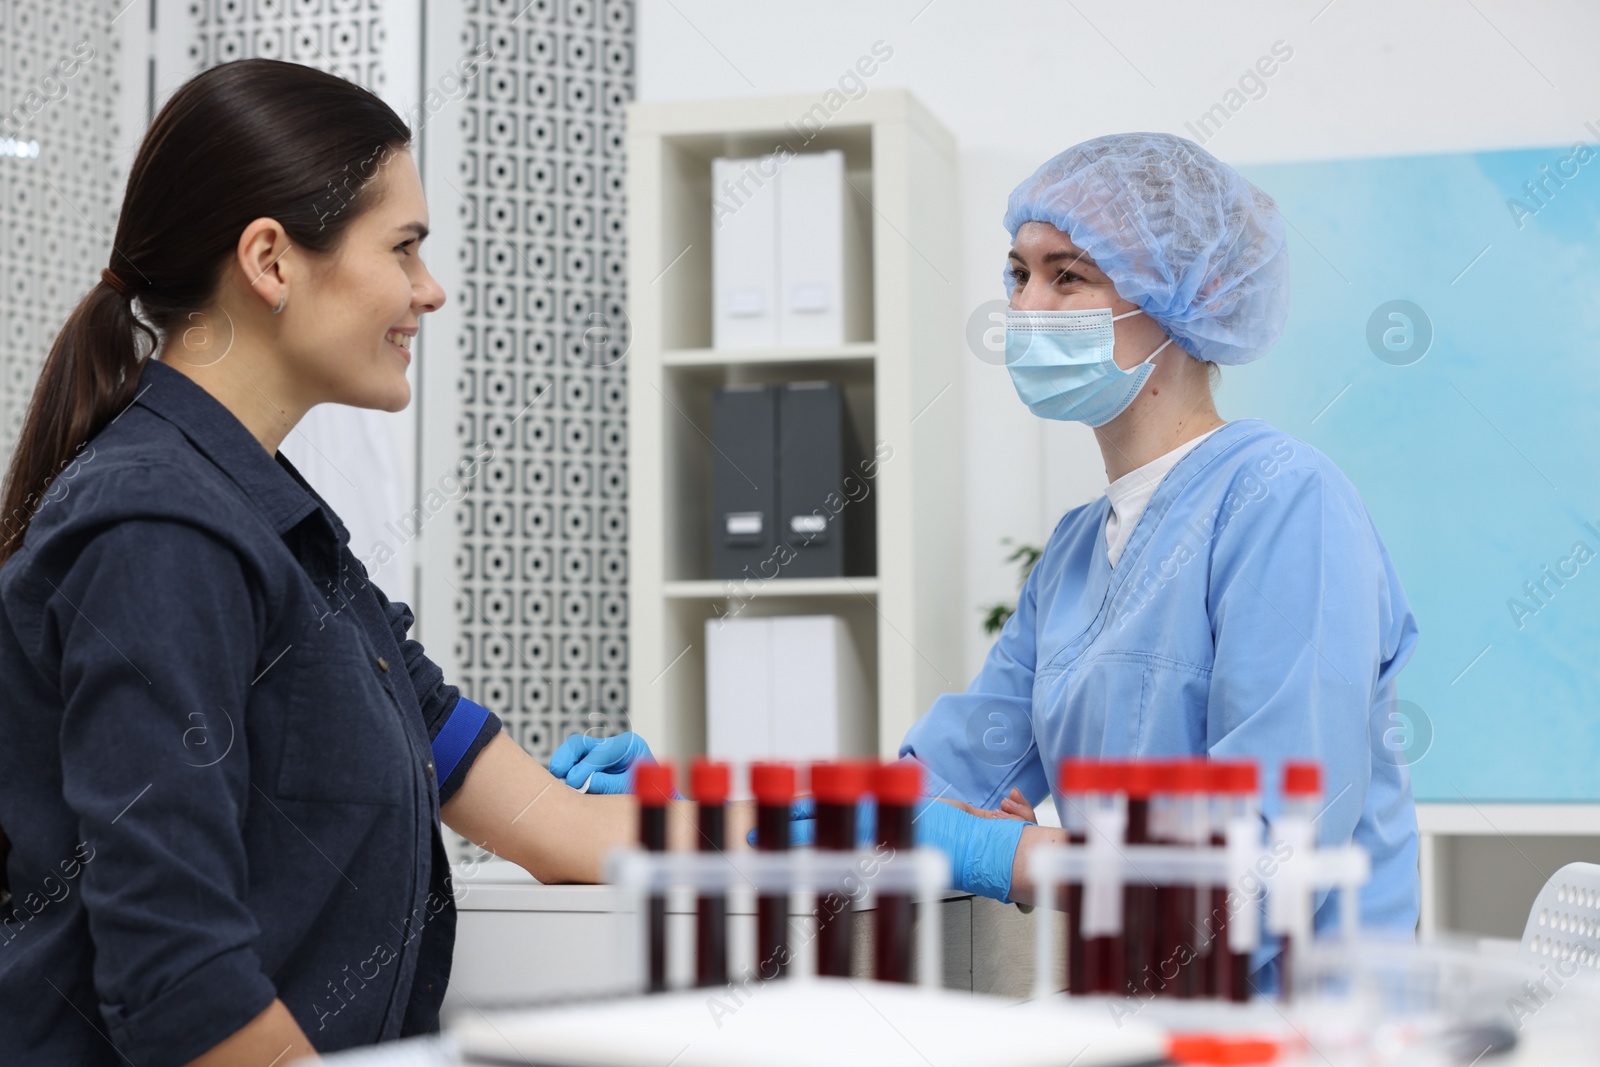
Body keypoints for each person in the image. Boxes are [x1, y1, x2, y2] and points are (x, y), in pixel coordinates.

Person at [554, 133, 1420, 989]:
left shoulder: (1283, 504)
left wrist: (998, 848)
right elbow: (913, 799)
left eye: (1067, 274)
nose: (1026, 306)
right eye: (1017, 272)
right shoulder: (1078, 555)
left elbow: (1267, 870)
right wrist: (688, 807)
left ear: (1183, 297)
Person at [0, 59, 666, 1065]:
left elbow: (555, 825)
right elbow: (184, 985)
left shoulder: (282, 530)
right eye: (404, 248)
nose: (428, 291)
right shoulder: (157, 532)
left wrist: (855, 819)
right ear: (270, 260)